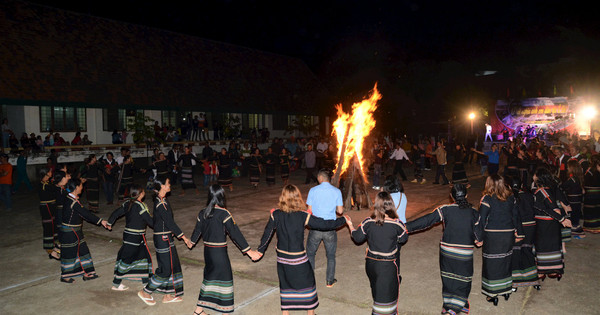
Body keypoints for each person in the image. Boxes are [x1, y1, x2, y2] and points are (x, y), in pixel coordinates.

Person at [256, 184, 348, 315]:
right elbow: (325, 224)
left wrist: (260, 250)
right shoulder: (302, 216)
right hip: (297, 257)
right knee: (309, 281)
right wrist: (343, 219)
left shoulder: (275, 214)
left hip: (282, 258)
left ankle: (285, 313)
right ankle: (310, 313)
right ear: (297, 198)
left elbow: (267, 234)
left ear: (283, 197)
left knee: (285, 282)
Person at [405, 184, 481, 315]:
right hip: (464, 253)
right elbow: (479, 240)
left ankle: (449, 304)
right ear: (467, 195)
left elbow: (426, 220)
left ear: (451, 197)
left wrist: (405, 227)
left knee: (448, 278)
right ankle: (456, 307)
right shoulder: (474, 212)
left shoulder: (445, 209)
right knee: (463, 279)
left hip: (447, 251)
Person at [190, 184, 260, 314]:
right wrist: (249, 252)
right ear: (221, 196)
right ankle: (225, 311)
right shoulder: (224, 213)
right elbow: (235, 233)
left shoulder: (203, 212)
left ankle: (198, 311)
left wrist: (191, 242)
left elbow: (196, 231)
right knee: (226, 280)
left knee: (209, 278)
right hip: (219, 253)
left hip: (208, 252)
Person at [346, 191, 409, 315]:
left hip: (371, 264)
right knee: (387, 296)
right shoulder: (397, 224)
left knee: (376, 290)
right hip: (387, 265)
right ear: (390, 204)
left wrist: (350, 226)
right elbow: (403, 239)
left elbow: (357, 238)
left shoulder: (367, 222)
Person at [138, 177, 192, 305]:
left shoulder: (162, 200)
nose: (170, 185)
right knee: (165, 269)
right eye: (168, 183)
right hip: (162, 239)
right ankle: (146, 291)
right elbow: (170, 222)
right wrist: (184, 238)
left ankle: (167, 295)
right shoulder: (160, 203)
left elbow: (160, 222)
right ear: (162, 186)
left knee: (172, 265)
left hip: (166, 237)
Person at [477, 174, 523, 306]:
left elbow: (482, 220)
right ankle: (506, 289)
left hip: (493, 236)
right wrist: (519, 233)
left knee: (491, 264)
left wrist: (479, 238)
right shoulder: (511, 197)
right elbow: (516, 216)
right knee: (505, 261)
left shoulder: (487, 198)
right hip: (508, 235)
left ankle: (492, 294)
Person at [59, 178, 110, 283]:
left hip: (74, 231)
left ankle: (87, 273)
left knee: (82, 251)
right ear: (76, 187)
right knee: (70, 253)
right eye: (81, 185)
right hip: (71, 231)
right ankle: (66, 276)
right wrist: (101, 221)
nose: (82, 187)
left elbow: (83, 214)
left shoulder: (70, 198)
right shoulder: (73, 202)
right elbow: (86, 214)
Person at [107, 184, 154, 291]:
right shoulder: (140, 206)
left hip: (133, 236)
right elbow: (149, 221)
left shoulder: (127, 203)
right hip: (134, 237)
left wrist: (110, 222)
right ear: (141, 194)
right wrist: (161, 226)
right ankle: (116, 283)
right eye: (143, 192)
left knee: (143, 257)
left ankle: (145, 281)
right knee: (126, 259)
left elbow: (116, 213)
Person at [305, 169, 343, 287]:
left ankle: (310, 280)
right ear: (329, 179)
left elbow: (309, 211)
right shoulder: (337, 191)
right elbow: (340, 211)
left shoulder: (313, 190)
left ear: (320, 179)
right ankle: (329, 280)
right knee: (331, 255)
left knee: (310, 254)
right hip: (330, 228)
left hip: (315, 227)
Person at [532, 168, 572, 281]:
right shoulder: (546, 190)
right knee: (551, 246)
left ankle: (543, 270)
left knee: (544, 246)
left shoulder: (543, 192)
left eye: (535, 175)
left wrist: (562, 219)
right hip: (550, 223)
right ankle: (554, 270)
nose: (533, 177)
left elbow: (553, 208)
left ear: (539, 178)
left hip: (545, 224)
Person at [507, 176, 541, 291]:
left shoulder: (510, 198)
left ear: (509, 187)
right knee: (528, 251)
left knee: (516, 252)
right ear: (522, 186)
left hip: (518, 227)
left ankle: (516, 283)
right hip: (531, 226)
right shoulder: (530, 195)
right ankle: (533, 280)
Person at [38, 167, 61, 260]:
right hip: (46, 207)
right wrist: (58, 183)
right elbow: (53, 189)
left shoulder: (47, 183)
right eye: (50, 172)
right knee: (48, 226)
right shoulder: (43, 185)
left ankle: (54, 244)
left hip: (51, 206)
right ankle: (50, 248)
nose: (51, 173)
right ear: (46, 174)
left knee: (53, 225)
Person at [562, 160, 585, 239]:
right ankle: (578, 231)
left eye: (568, 167)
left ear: (572, 168)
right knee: (576, 216)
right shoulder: (578, 178)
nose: (567, 169)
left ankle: (578, 232)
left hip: (573, 200)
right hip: (577, 200)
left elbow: (563, 186)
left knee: (573, 216)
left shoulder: (572, 179)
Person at [583, 155, 600, 234]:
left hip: (590, 193)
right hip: (597, 193)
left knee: (590, 210)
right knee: (596, 210)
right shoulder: (597, 169)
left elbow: (586, 180)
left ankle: (591, 227)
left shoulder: (590, 170)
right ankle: (596, 227)